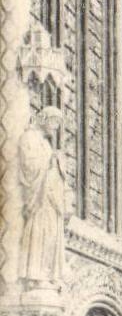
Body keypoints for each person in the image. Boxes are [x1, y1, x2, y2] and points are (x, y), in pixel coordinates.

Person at [17, 107, 67, 283]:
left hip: (51, 200)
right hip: (39, 199)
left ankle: (45, 274)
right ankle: (34, 275)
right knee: (39, 233)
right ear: (44, 118)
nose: (55, 129)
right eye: (54, 123)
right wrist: (51, 162)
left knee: (50, 236)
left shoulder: (45, 143)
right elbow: (28, 166)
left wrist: (58, 162)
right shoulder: (29, 137)